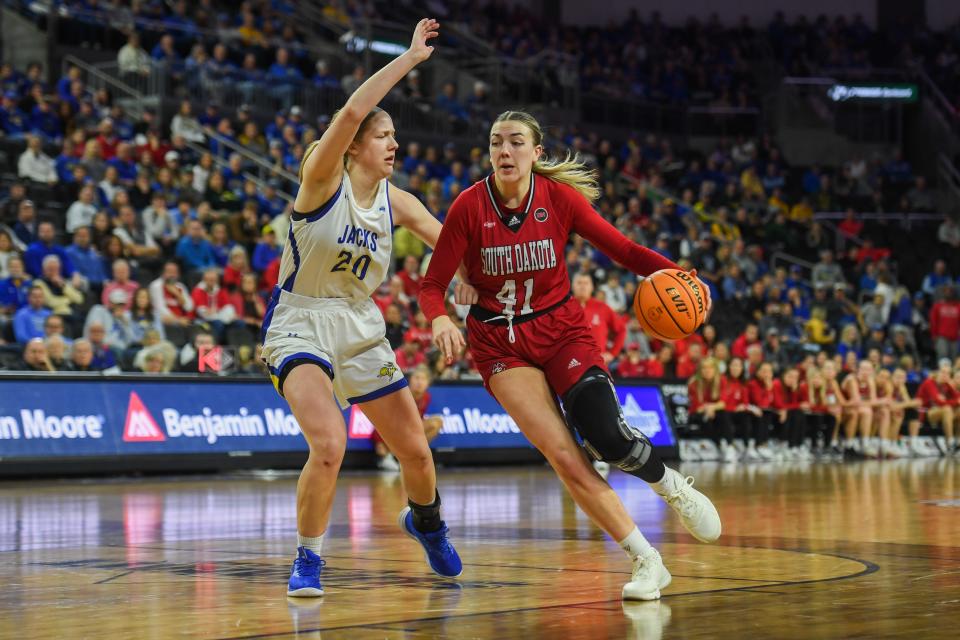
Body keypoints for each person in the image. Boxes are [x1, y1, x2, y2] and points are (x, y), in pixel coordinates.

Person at [420, 109, 721, 602]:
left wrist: (683, 276)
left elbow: (625, 251)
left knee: (605, 435)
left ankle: (671, 487)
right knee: (564, 456)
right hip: (499, 343)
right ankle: (647, 561)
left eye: (516, 142)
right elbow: (432, 285)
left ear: (535, 154)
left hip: (562, 331)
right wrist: (438, 317)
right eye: (496, 142)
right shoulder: (468, 207)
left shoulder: (559, 199)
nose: (504, 151)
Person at [259, 19, 474, 598]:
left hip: (359, 325)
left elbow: (449, 244)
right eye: (385, 136)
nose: (395, 145)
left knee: (417, 455)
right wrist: (409, 59)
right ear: (355, 145)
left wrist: (476, 283)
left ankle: (426, 524)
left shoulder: (395, 200)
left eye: (395, 137)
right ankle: (308, 558)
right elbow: (352, 111)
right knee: (328, 444)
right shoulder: (321, 180)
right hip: (300, 319)